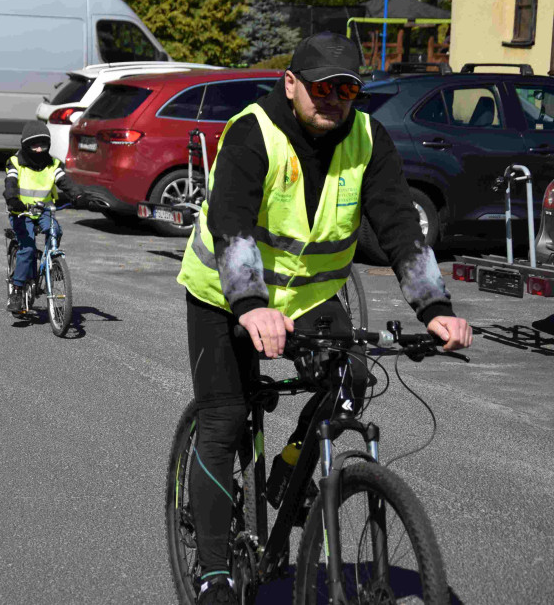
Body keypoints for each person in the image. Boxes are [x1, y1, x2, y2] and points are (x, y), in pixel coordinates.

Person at [175, 32, 473, 604]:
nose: (334, 97)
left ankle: (289, 469)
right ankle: (213, 571)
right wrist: (250, 304)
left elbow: (398, 227)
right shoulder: (251, 133)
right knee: (225, 419)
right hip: (224, 297)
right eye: (320, 87)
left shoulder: (368, 138)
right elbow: (232, 223)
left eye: (348, 87)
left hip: (308, 300)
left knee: (353, 377)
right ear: (291, 84)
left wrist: (435, 307)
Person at [4, 120, 89, 314]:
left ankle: (51, 265)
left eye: (43, 145)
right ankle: (16, 291)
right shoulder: (15, 162)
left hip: (43, 211)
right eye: (34, 145)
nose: (39, 149)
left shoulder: (53, 164)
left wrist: (78, 195)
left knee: (55, 230)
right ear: (25, 145)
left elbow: (64, 182)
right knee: (27, 248)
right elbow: (10, 183)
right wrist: (12, 199)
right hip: (21, 211)